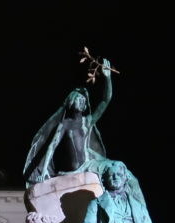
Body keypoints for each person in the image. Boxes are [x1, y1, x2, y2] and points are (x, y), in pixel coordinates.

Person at [23, 59, 113, 187]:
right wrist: (43, 172)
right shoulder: (64, 124)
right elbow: (51, 147)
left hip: (89, 165)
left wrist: (108, 79)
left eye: (83, 100)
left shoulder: (87, 122)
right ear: (71, 101)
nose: (81, 101)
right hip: (74, 170)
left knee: (118, 167)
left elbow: (105, 100)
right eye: (78, 99)